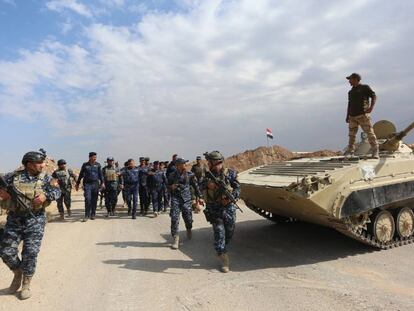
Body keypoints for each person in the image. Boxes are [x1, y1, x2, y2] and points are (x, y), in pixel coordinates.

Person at [0, 151, 61, 299]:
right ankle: (17, 272)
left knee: (30, 253)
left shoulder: (46, 178)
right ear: (29, 164)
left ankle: (26, 282)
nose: (43, 165)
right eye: (40, 163)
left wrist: (46, 195)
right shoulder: (13, 176)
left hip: (35, 220)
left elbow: (57, 191)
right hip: (14, 219)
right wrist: (2, 193)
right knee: (6, 251)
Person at [201, 151, 240, 273]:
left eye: (219, 162)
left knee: (230, 231)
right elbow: (199, 184)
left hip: (228, 208)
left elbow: (238, 187)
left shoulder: (230, 173)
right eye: (215, 163)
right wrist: (208, 185)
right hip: (214, 208)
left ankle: (222, 246)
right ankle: (223, 257)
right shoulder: (207, 176)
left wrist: (230, 197)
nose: (218, 165)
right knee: (219, 232)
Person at [167, 158, 203, 250]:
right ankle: (176, 238)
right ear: (178, 165)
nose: (185, 165)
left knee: (188, 218)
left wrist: (200, 197)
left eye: (185, 163)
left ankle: (189, 228)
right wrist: (172, 187)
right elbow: (167, 186)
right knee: (174, 218)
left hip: (186, 199)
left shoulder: (190, 175)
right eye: (183, 163)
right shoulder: (171, 175)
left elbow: (196, 186)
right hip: (176, 199)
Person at [345, 73, 379, 158]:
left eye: (350, 79)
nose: (349, 81)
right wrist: (347, 115)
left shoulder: (364, 88)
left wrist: (371, 107)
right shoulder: (351, 91)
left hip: (363, 115)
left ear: (356, 79)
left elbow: (374, 96)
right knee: (351, 135)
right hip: (352, 116)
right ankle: (350, 151)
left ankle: (375, 150)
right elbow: (349, 104)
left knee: (369, 133)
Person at [75, 152, 104, 221]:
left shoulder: (98, 165)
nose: (95, 158)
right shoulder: (85, 165)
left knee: (94, 200)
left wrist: (103, 183)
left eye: (95, 157)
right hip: (87, 184)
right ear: (90, 157)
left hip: (95, 184)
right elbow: (81, 175)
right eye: (94, 157)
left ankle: (93, 214)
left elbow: (100, 175)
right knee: (87, 199)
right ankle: (86, 215)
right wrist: (77, 183)